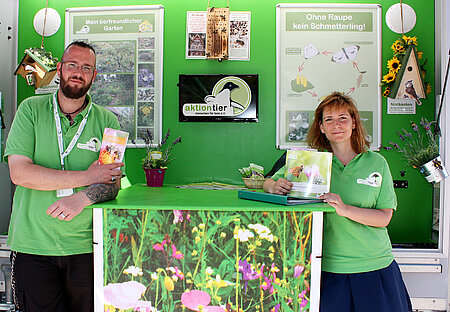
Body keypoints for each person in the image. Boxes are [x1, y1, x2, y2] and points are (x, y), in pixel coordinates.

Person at [263, 92, 412, 312]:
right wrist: (275, 187)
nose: (336, 125)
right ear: (321, 127)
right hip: (327, 269)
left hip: (374, 267)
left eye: (343, 118)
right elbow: (267, 183)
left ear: (354, 123)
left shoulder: (376, 162)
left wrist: (345, 209)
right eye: (329, 119)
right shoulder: (311, 162)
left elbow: (384, 217)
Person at [4, 41, 124, 312]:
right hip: (33, 246)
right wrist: (87, 175)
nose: (78, 72)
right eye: (72, 65)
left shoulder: (109, 122)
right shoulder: (30, 110)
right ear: (60, 69)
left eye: (86, 68)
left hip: (87, 248)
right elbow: (19, 172)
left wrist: (81, 199)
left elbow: (112, 182)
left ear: (93, 75)